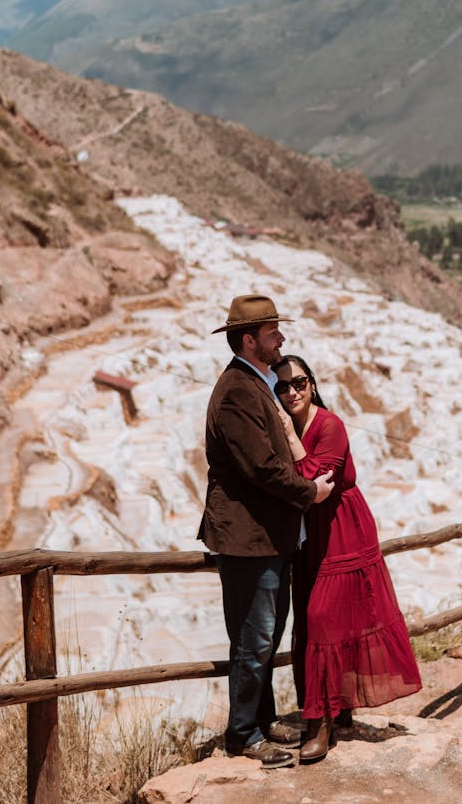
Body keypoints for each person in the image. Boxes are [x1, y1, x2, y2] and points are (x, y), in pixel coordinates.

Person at [198, 296, 334, 770]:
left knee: (266, 633)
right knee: (255, 637)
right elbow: (262, 467)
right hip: (247, 537)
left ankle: (261, 719)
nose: (282, 339)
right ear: (249, 340)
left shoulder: (252, 383)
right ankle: (243, 735)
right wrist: (310, 494)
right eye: (274, 333)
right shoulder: (238, 390)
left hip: (263, 536)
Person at [275, 353, 422, 763]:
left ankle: (319, 723)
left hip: (342, 526)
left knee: (325, 617)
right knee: (309, 620)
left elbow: (313, 477)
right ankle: (338, 710)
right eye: (282, 386)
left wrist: (288, 434)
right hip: (309, 533)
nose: (292, 392)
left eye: (299, 382)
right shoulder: (289, 423)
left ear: (312, 383)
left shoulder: (330, 425)